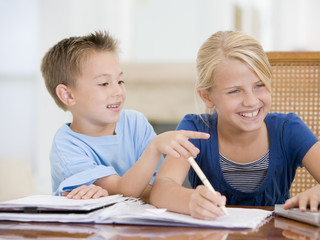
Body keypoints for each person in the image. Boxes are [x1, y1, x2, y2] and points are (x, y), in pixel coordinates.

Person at [149, 31, 320, 220]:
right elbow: (161, 189)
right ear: (207, 96)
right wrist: (190, 200)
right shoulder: (196, 130)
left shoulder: (289, 130)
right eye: (235, 91)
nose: (251, 101)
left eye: (259, 85)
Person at [40, 31, 209, 201]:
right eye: (104, 83)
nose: (118, 91)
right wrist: (154, 147)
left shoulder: (136, 123)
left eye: (120, 81)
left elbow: (156, 189)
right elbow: (125, 190)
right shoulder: (66, 146)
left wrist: (134, 190)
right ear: (68, 95)